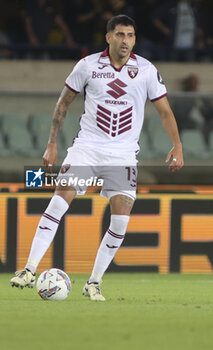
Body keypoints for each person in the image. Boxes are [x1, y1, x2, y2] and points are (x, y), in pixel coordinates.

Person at [10, 15, 184, 301]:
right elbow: (62, 104)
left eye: (130, 35)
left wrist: (177, 145)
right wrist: (51, 144)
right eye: (119, 34)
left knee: (120, 222)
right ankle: (29, 269)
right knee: (59, 198)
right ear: (108, 37)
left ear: (135, 39)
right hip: (87, 148)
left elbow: (165, 111)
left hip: (124, 155)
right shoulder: (88, 65)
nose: (125, 40)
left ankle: (93, 282)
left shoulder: (147, 70)